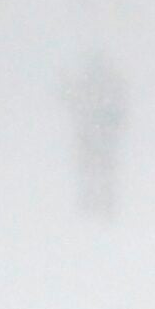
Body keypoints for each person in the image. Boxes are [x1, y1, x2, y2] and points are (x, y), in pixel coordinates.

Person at [66, 52, 128, 219]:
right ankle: (99, 206)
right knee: (99, 169)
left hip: (94, 134)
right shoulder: (110, 84)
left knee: (93, 169)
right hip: (99, 134)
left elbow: (73, 101)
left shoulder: (88, 85)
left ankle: (95, 206)